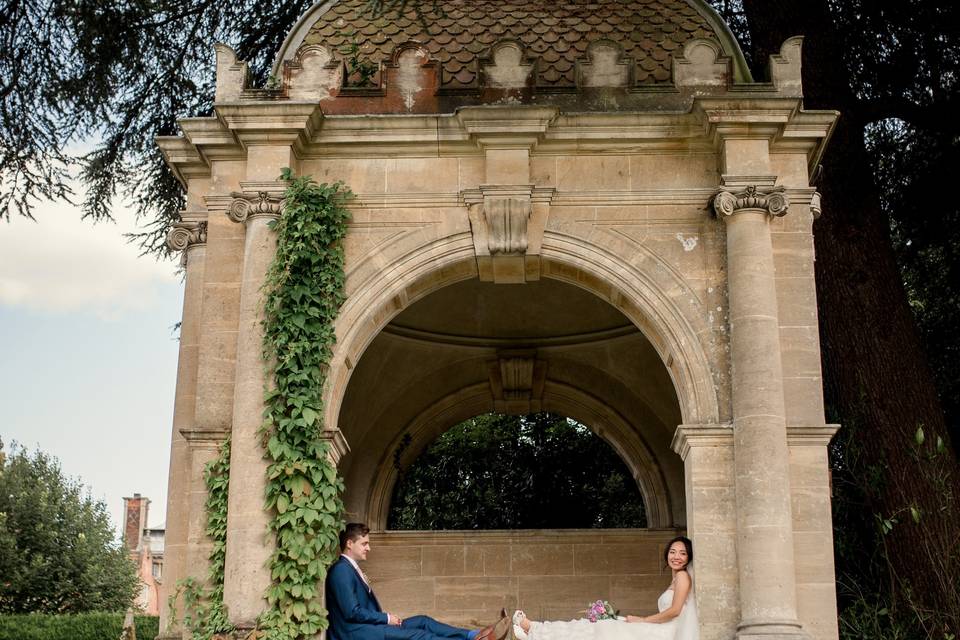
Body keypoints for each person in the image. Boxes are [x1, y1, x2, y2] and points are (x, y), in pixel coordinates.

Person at [326, 522, 511, 640]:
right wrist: (387, 618)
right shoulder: (341, 570)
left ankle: (473, 635)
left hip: (370, 627)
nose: (369, 548)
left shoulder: (350, 569)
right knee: (420, 635)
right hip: (355, 634)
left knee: (423, 621)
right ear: (349, 544)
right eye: (364, 544)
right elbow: (352, 612)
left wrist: (386, 619)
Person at [511, 536, 698, 640]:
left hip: (665, 632)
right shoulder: (676, 579)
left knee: (599, 628)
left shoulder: (682, 576)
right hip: (659, 627)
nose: (676, 557)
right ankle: (535, 630)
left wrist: (643, 620)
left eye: (682, 553)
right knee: (593, 627)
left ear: (688, 557)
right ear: (667, 555)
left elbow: (674, 611)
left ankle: (534, 630)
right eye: (672, 552)